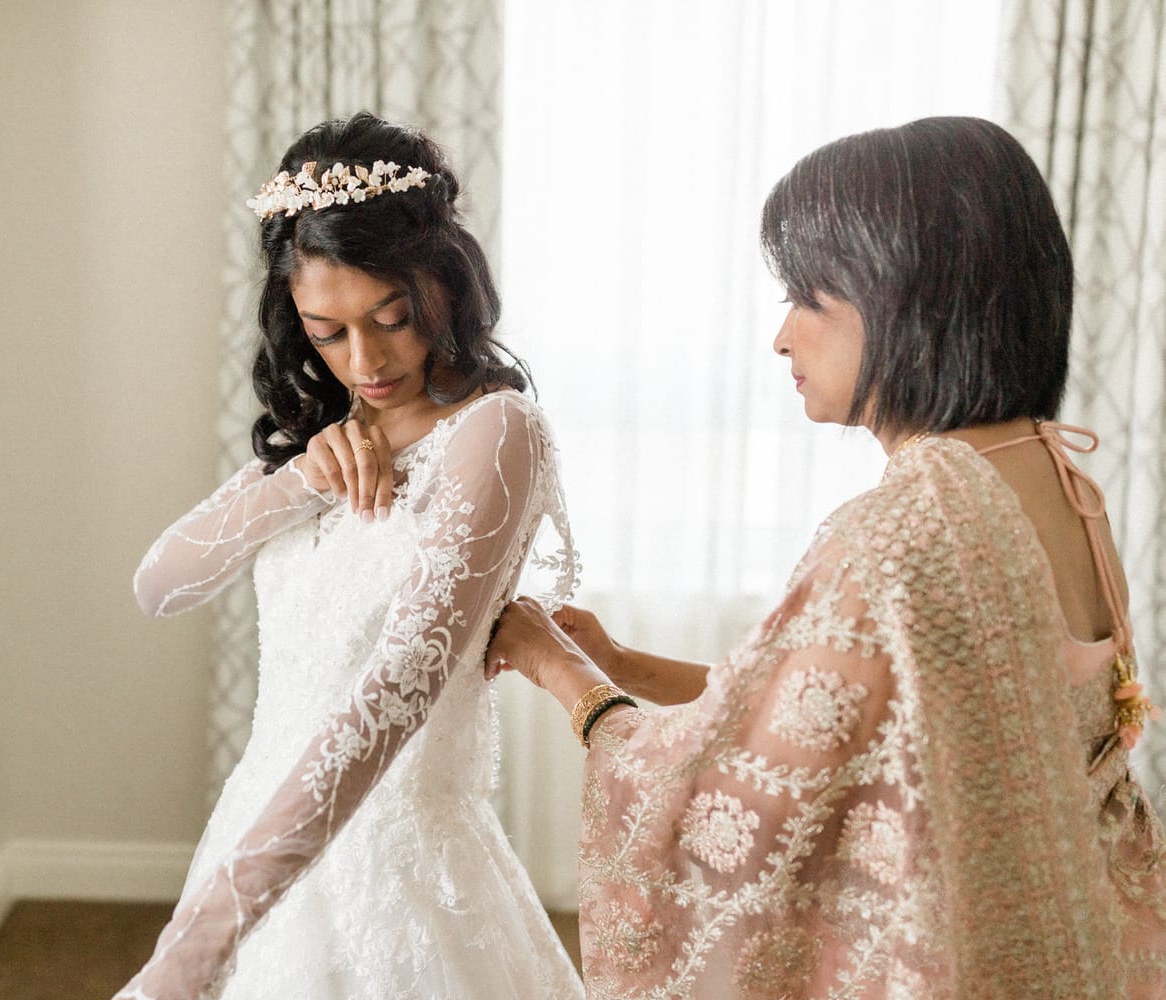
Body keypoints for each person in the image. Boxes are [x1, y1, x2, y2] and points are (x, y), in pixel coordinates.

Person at [485, 116, 1166, 998]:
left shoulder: (904, 530)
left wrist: (557, 670)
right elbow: (832, 717)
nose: (781, 339)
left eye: (808, 298)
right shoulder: (1056, 476)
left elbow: (715, 800)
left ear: (908, 296)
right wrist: (618, 662)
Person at [116, 112, 585, 1000]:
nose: (365, 359)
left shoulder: (495, 432)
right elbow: (159, 584)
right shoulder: (322, 438)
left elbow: (394, 695)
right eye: (327, 331)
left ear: (445, 283)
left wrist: (207, 935)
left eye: (392, 317)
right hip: (259, 826)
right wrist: (302, 480)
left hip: (400, 864)